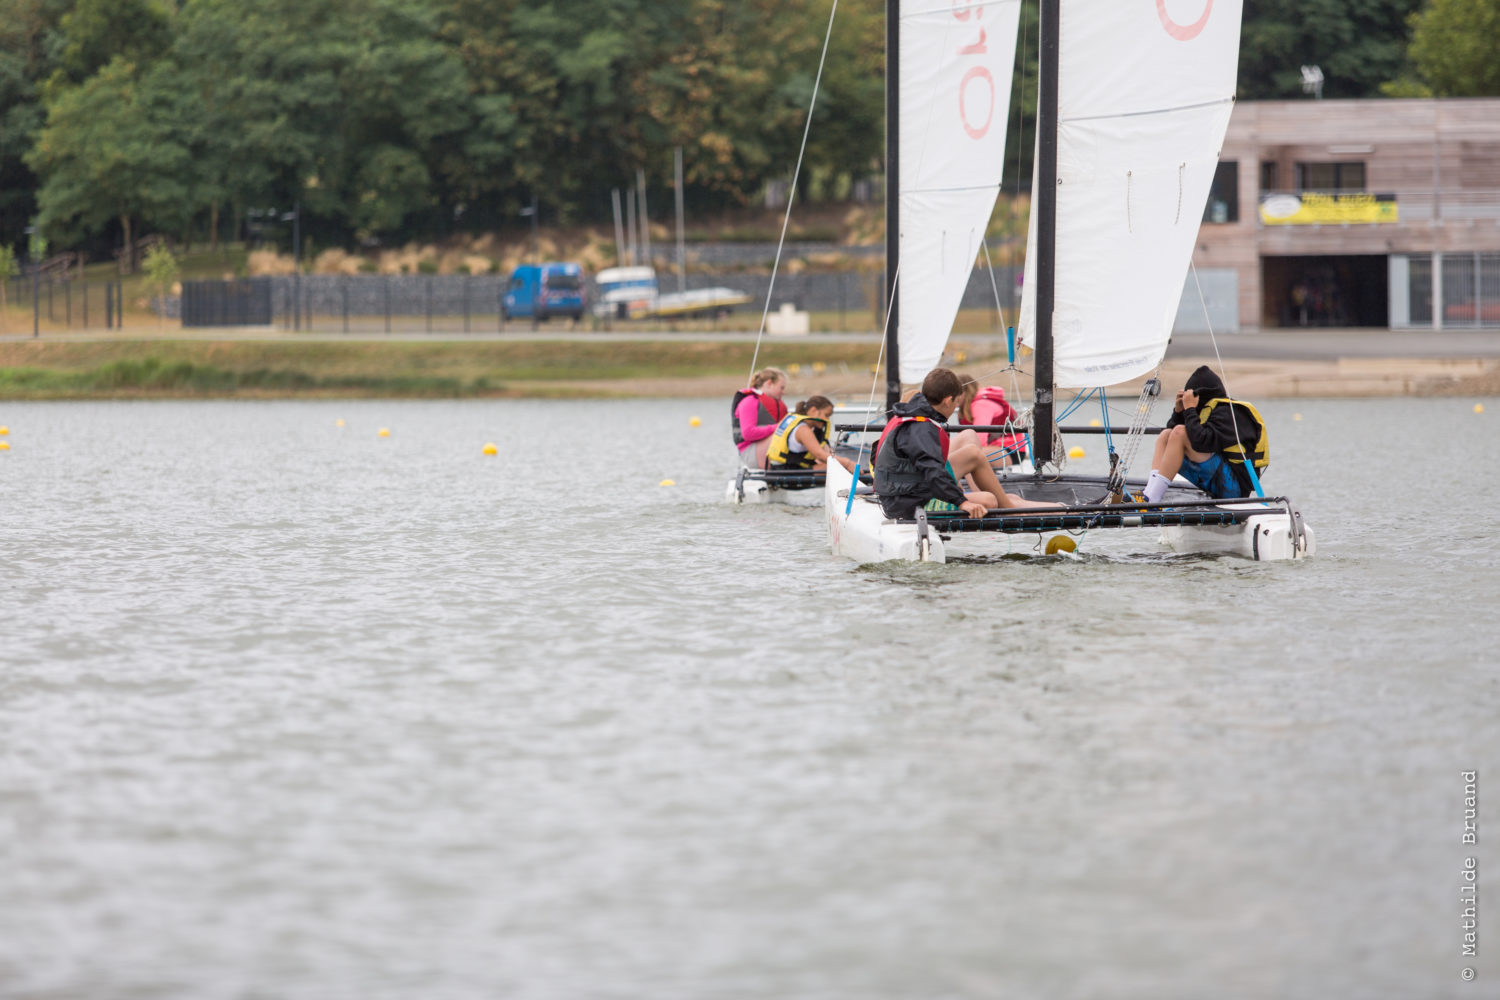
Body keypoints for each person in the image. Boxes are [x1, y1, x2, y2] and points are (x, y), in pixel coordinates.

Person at [872, 368, 1054, 520]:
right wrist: (962, 502)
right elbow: (932, 471)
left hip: (908, 492)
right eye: (956, 403)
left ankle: (1033, 505)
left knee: (974, 455)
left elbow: (879, 454)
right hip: (906, 504)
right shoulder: (921, 427)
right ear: (947, 400)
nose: (955, 410)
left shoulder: (914, 414)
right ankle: (1014, 510)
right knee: (989, 500)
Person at [1141, 365, 1269, 503]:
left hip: (1235, 488)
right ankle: (1150, 492)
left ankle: (1152, 499)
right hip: (1218, 480)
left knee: (1179, 432)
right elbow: (1172, 440)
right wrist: (1179, 411)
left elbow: (1200, 442)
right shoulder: (1208, 410)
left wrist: (1190, 409)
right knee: (1166, 434)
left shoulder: (1228, 413)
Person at [765, 396, 857, 474]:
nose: (827, 420)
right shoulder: (803, 430)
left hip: (781, 466)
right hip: (785, 471)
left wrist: (841, 462)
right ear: (813, 411)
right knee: (836, 468)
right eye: (826, 415)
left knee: (835, 465)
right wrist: (847, 463)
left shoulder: (798, 422)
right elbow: (820, 455)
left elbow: (826, 451)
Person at [952, 374, 1028, 469]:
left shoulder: (981, 405)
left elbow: (980, 439)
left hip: (1010, 451)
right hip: (994, 448)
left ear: (965, 391)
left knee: (964, 457)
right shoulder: (967, 408)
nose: (952, 397)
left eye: (955, 393)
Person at [731, 367, 789, 468]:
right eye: (781, 388)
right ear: (769, 383)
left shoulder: (778, 404)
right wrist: (779, 427)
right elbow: (748, 433)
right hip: (750, 452)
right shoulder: (749, 401)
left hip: (767, 448)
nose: (783, 392)